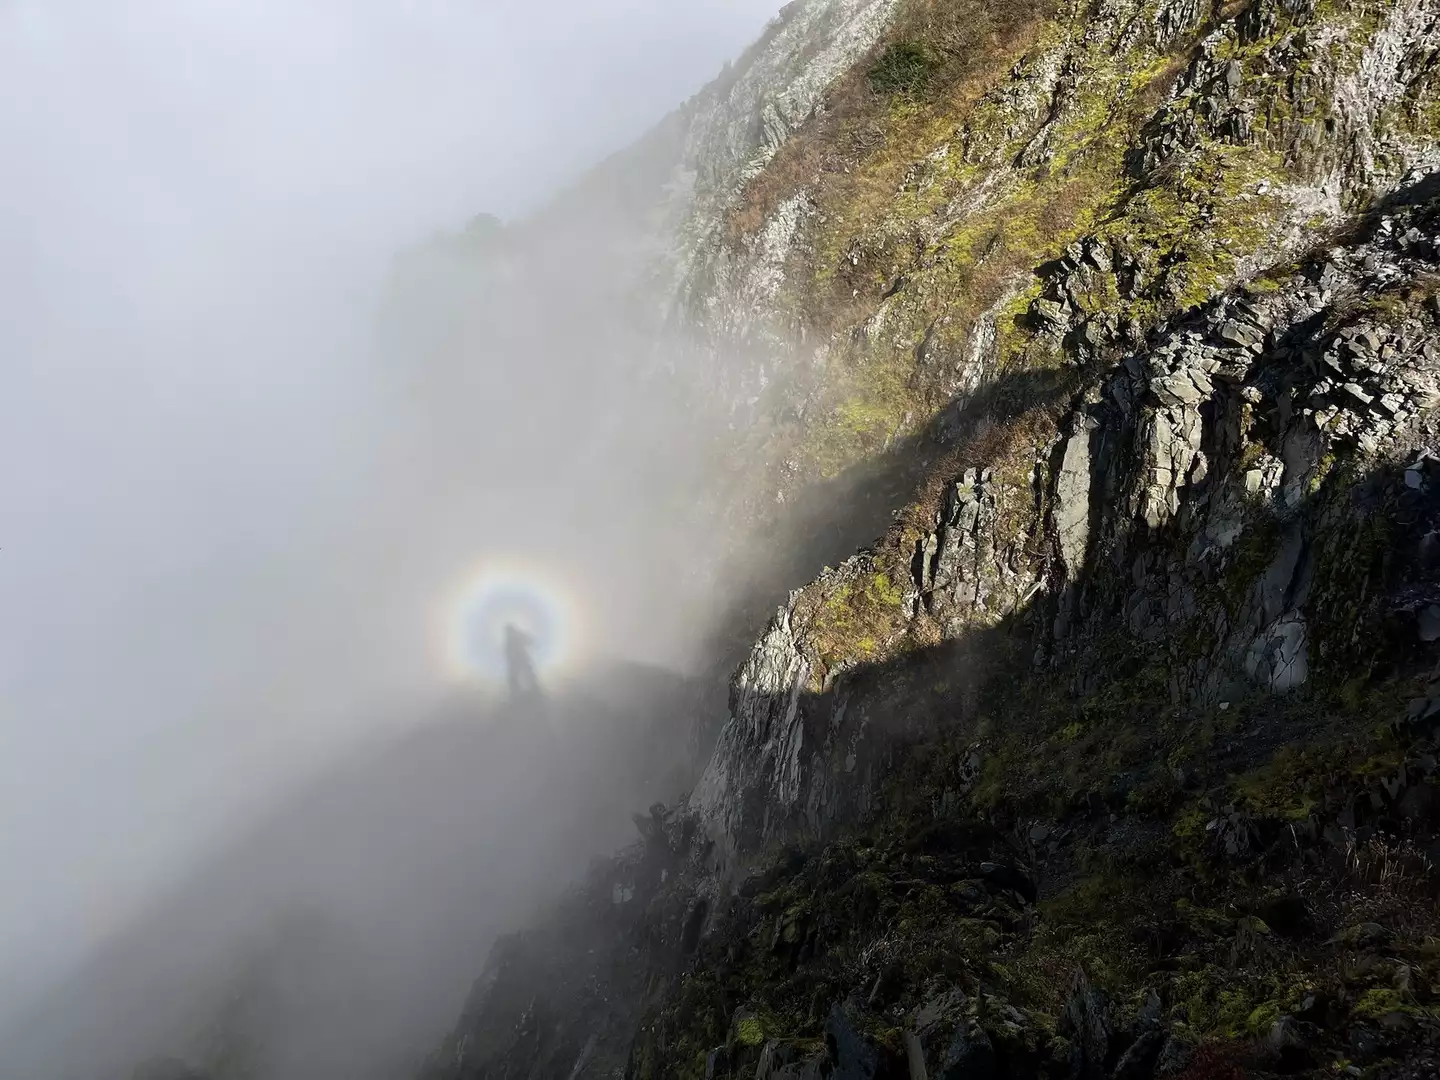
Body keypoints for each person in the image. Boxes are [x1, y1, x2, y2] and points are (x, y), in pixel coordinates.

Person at [503, 622, 542, 699]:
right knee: (518, 675)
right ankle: (518, 692)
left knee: (524, 674)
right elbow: (530, 641)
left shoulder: (515, 636)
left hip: (520, 658)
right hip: (519, 659)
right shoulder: (514, 636)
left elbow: (530, 640)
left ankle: (533, 689)